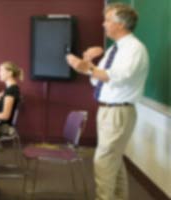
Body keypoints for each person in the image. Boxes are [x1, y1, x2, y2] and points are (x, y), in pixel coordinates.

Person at [66, 3, 148, 200]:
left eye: (108, 20)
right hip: (106, 111)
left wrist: (88, 67)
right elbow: (96, 78)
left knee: (104, 161)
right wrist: (85, 62)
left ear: (120, 24)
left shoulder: (134, 49)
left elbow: (117, 76)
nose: (103, 24)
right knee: (114, 162)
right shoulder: (113, 50)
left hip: (119, 112)